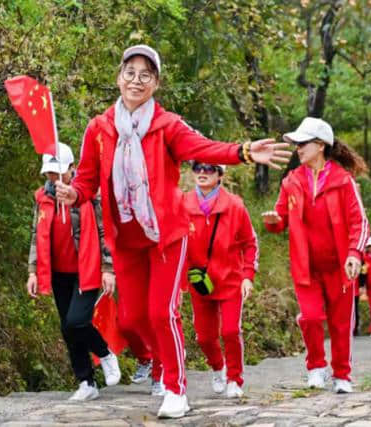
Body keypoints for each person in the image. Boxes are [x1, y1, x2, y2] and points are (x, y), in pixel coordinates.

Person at [55, 44, 291, 418]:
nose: (136, 80)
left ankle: (176, 389)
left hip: (166, 235)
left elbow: (204, 147)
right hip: (127, 238)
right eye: (130, 72)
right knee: (133, 319)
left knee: (162, 312)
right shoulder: (99, 129)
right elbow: (86, 179)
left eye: (145, 74)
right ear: (119, 78)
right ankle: (160, 364)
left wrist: (244, 152)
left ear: (155, 83)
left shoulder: (167, 126)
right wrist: (73, 193)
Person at [262, 117, 370, 394]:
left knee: (341, 322)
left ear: (320, 145)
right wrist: (274, 220)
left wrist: (354, 254)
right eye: (296, 144)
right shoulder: (291, 181)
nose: (298, 148)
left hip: (340, 266)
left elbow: (360, 222)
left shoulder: (343, 181)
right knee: (310, 318)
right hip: (305, 266)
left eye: (303, 143)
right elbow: (280, 218)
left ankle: (342, 375)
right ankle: (315, 366)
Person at [26, 143, 121, 401]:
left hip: (86, 268)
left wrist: (107, 269)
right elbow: (36, 235)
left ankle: (104, 353)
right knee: (68, 329)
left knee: (76, 321)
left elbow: (105, 234)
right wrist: (33, 271)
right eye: (50, 174)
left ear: (72, 169)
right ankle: (86, 382)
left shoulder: (89, 195)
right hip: (58, 272)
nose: (54, 179)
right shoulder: (42, 198)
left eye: (59, 173)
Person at [183, 162, 258, 398]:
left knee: (230, 331)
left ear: (220, 174)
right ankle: (218, 367)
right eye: (197, 168)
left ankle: (234, 379)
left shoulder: (235, 205)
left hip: (230, 279)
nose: (202, 173)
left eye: (209, 169)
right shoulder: (183, 203)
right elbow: (176, 242)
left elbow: (249, 243)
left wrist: (248, 276)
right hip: (200, 282)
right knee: (204, 337)